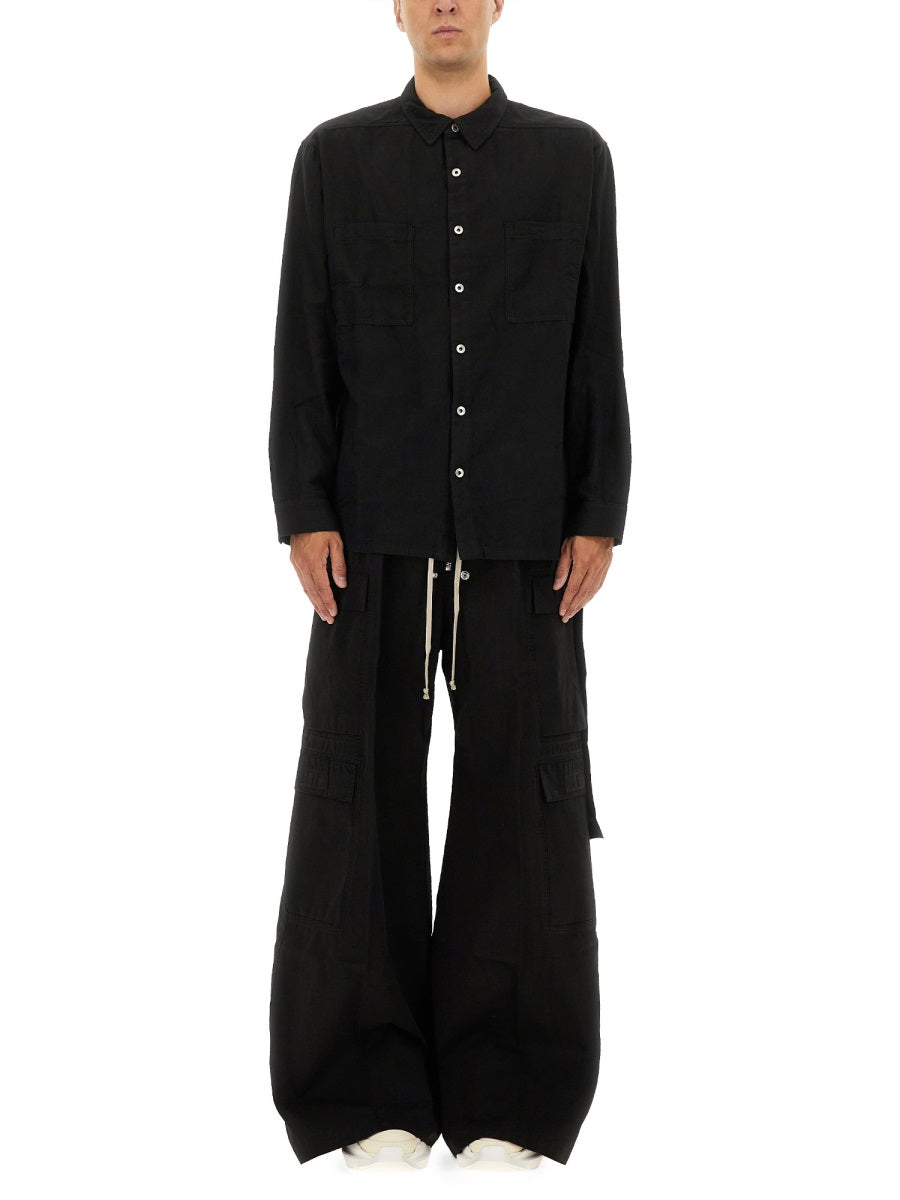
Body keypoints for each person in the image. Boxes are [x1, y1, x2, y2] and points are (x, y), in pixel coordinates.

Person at [267, 0, 631, 1173]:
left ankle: (511, 1089)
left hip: (529, 544)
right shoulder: (333, 160)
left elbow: (596, 346)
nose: (444, 3)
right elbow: (303, 343)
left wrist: (600, 509)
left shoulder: (574, 161)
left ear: (496, 3)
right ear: (396, 6)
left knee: (525, 811)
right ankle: (363, 1085)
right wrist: (304, 507)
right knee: (354, 801)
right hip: (367, 544)